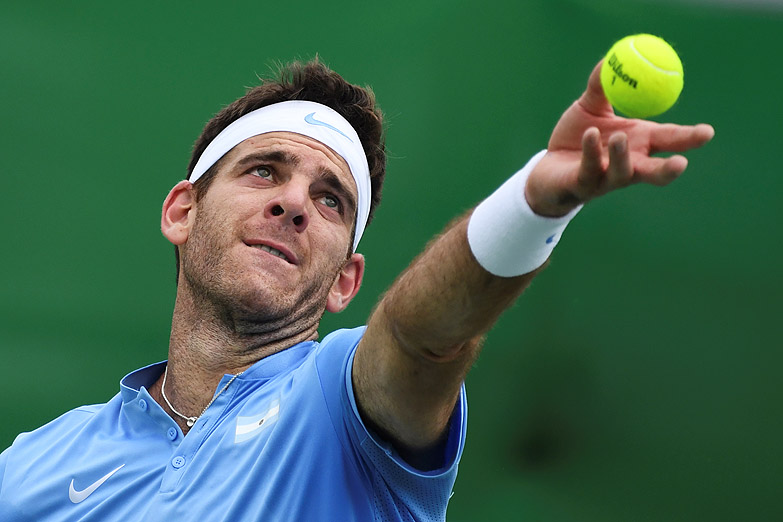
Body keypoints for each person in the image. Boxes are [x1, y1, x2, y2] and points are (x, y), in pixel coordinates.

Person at [0, 59, 713, 521]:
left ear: (346, 281)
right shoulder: (34, 464)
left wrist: (533, 203)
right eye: (264, 170)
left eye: (330, 200)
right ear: (182, 211)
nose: (294, 203)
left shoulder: (343, 404)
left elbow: (420, 339)